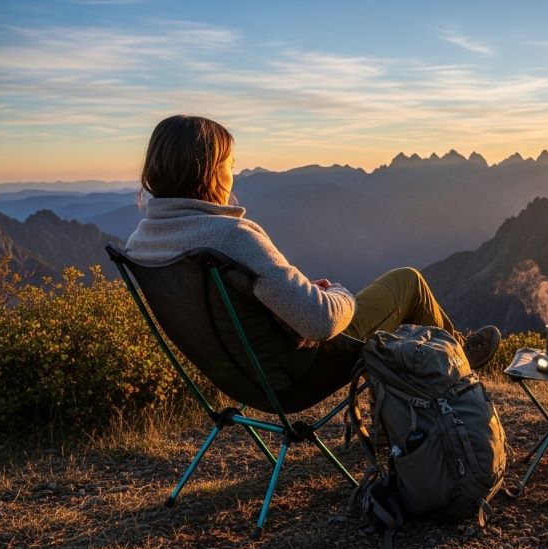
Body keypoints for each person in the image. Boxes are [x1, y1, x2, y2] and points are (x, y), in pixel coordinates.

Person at [125, 115, 501, 408]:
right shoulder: (230, 237)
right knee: (408, 282)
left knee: (328, 302)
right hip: (298, 375)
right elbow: (320, 323)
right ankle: (459, 365)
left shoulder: (142, 242)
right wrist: (336, 293)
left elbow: (227, 309)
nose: (232, 172)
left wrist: (292, 312)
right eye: (229, 163)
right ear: (206, 170)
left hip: (242, 379)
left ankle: (420, 390)